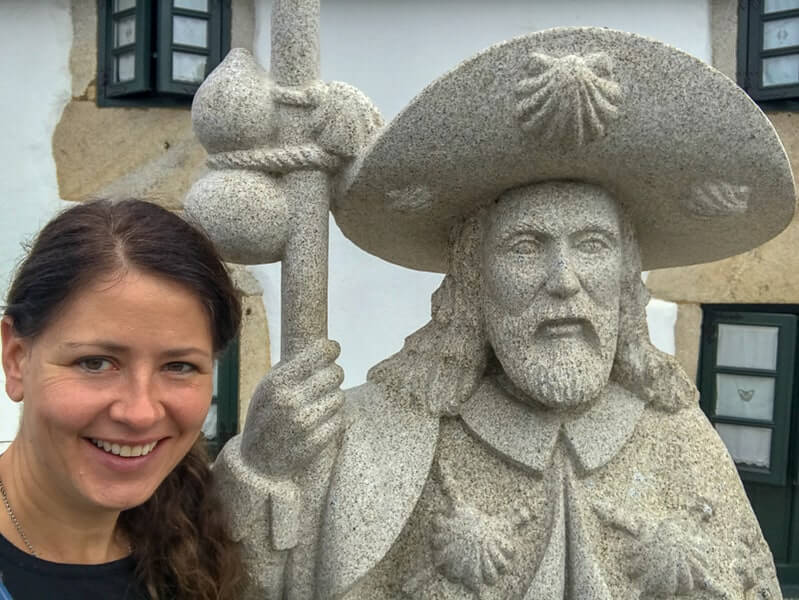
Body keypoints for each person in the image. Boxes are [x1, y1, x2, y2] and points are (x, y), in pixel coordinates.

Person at [210, 27, 794, 599]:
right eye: (525, 247)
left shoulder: (682, 439)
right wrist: (265, 470)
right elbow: (239, 581)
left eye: (592, 244)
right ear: (473, 281)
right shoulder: (371, 435)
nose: (563, 282)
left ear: (625, 278)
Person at [0, 199, 244, 599]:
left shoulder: (202, 548)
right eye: (95, 363)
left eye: (179, 366)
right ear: (16, 359)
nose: (140, 413)